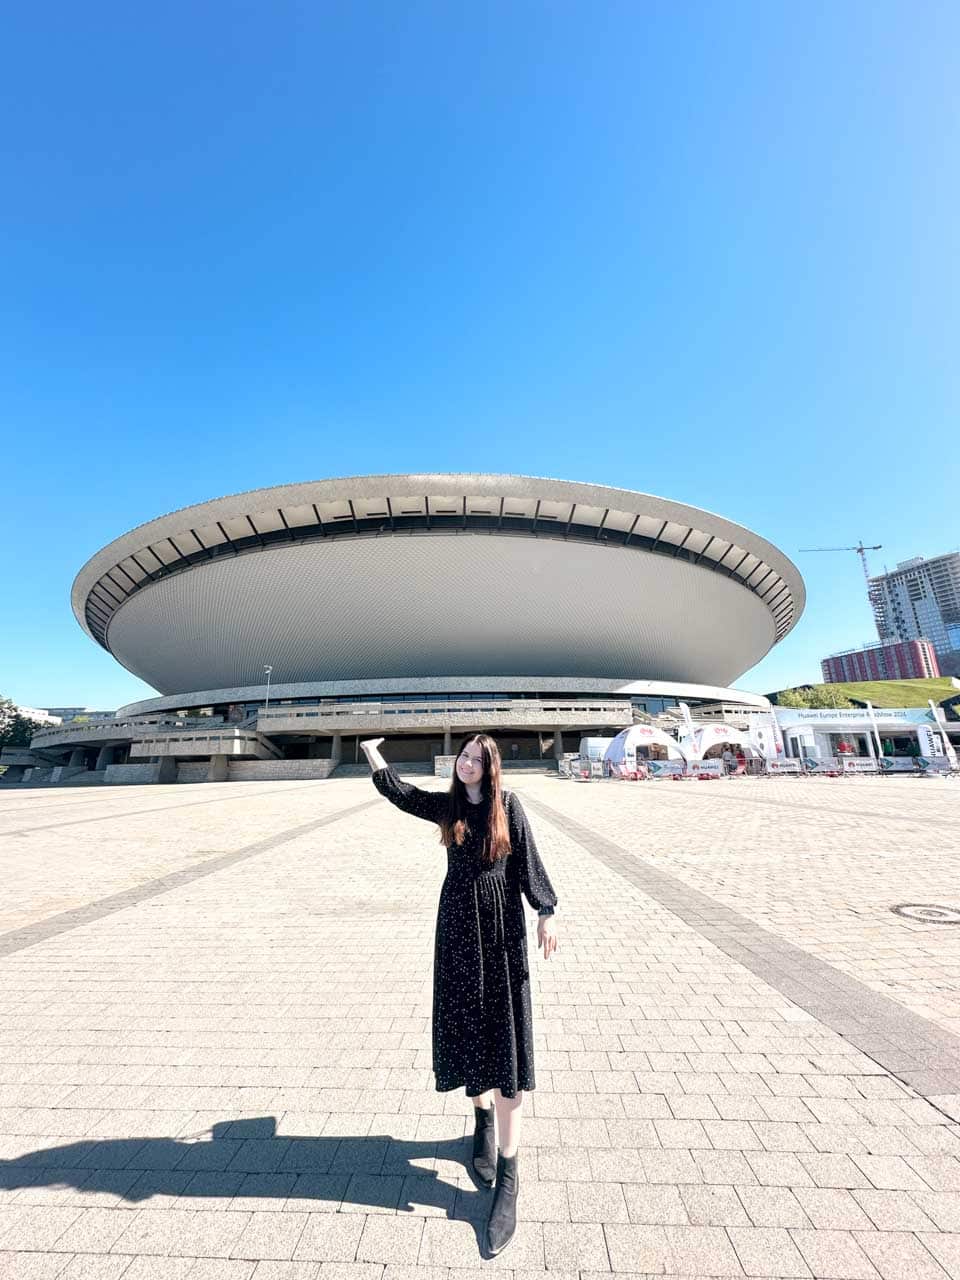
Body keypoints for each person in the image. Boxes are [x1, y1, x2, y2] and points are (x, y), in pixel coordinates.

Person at [360, 733, 558, 1257]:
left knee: (507, 1044)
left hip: (501, 932)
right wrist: (371, 752)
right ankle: (481, 1123)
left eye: (476, 758)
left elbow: (527, 865)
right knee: (467, 1029)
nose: (466, 763)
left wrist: (545, 911)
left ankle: (509, 1179)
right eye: (462, 757)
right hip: (457, 932)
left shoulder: (508, 807)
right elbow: (400, 794)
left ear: (490, 766)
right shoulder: (448, 807)